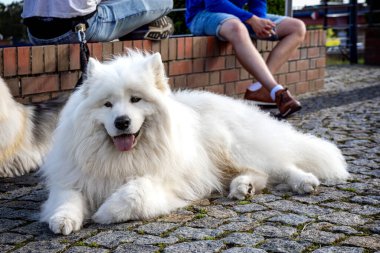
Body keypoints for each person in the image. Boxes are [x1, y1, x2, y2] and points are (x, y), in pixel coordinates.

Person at [186, 0, 306, 118]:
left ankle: (262, 88)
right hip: (203, 14)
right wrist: (252, 19)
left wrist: (260, 22)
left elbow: (258, 2)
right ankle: (276, 90)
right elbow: (214, 4)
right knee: (237, 27)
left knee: (297, 27)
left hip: (238, 17)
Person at [22, 0, 174, 45]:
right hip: (78, 29)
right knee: (164, 2)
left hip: (35, 33)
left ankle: (134, 25)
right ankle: (139, 27)